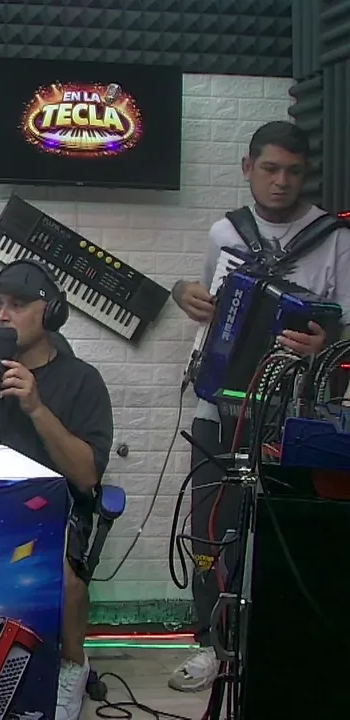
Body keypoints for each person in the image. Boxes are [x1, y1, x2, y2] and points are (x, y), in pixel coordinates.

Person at [166, 120, 350, 694]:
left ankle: (272, 644)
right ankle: (210, 644)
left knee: (279, 531)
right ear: (248, 168)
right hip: (217, 406)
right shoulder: (226, 232)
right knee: (209, 528)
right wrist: (181, 292)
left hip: (292, 412)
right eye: (270, 168)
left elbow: (346, 329)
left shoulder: (334, 238)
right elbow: (207, 304)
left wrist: (327, 345)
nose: (281, 181)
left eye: (293, 171)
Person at [0, 260, 113, 720]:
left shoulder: (83, 380)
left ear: (51, 312)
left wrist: (36, 407)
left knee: (64, 577)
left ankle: (72, 666)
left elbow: (87, 476)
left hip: (54, 507)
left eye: (17, 304)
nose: (2, 315)